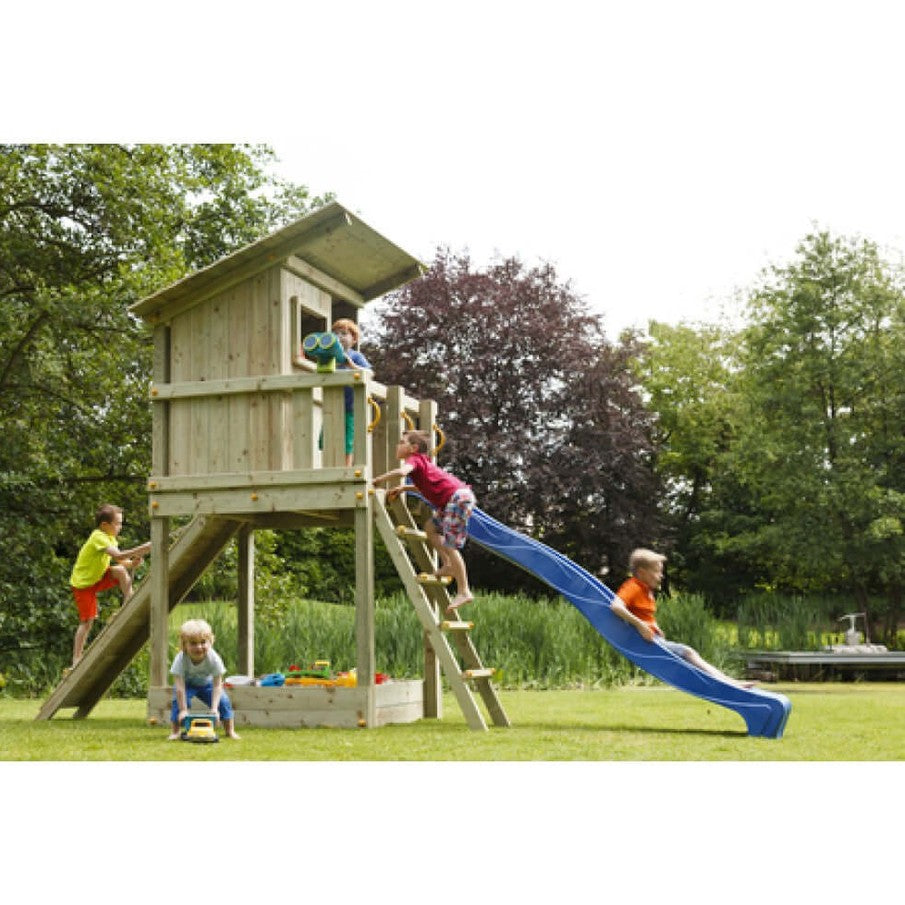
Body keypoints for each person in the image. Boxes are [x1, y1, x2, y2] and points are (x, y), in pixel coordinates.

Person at [610, 547, 755, 688]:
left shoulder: (645, 590)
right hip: (646, 644)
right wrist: (641, 625)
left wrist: (654, 626)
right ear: (642, 572)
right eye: (657, 571)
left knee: (687, 654)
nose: (661, 576)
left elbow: (642, 613)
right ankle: (728, 683)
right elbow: (616, 606)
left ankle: (728, 681)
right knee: (688, 652)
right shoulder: (633, 587)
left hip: (655, 640)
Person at [372, 430, 476, 615]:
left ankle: (464, 591)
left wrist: (378, 479)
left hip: (457, 499)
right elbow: (427, 484)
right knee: (431, 527)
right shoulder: (422, 463)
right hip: (452, 500)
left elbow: (401, 472)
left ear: (413, 448)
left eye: (401, 442)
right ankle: (447, 564)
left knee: (451, 546)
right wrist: (405, 487)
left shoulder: (413, 460)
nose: (397, 445)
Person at [69, 503, 151, 668]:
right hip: (83, 584)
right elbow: (119, 554)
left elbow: (121, 561)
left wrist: (132, 562)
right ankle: (76, 658)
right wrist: (144, 548)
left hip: (97, 577)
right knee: (87, 622)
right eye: (118, 523)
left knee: (120, 570)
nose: (120, 527)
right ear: (105, 525)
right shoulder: (98, 536)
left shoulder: (110, 537)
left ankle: (129, 601)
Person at [167, 618, 240, 740]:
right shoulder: (180, 659)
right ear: (184, 645)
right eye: (193, 643)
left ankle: (230, 731)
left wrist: (214, 709)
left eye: (203, 642)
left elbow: (217, 686)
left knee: (224, 701)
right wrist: (183, 710)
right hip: (187, 685)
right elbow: (180, 687)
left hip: (208, 684)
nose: (199, 647)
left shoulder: (214, 659)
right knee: (176, 701)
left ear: (210, 642)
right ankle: (175, 732)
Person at [326, 318, 372, 467]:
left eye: (344, 334)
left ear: (354, 339)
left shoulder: (355, 356)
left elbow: (370, 374)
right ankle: (331, 467)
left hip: (350, 407)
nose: (339, 337)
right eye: (335, 334)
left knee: (347, 442)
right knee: (327, 439)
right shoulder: (330, 357)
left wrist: (351, 365)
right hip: (331, 405)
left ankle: (346, 469)